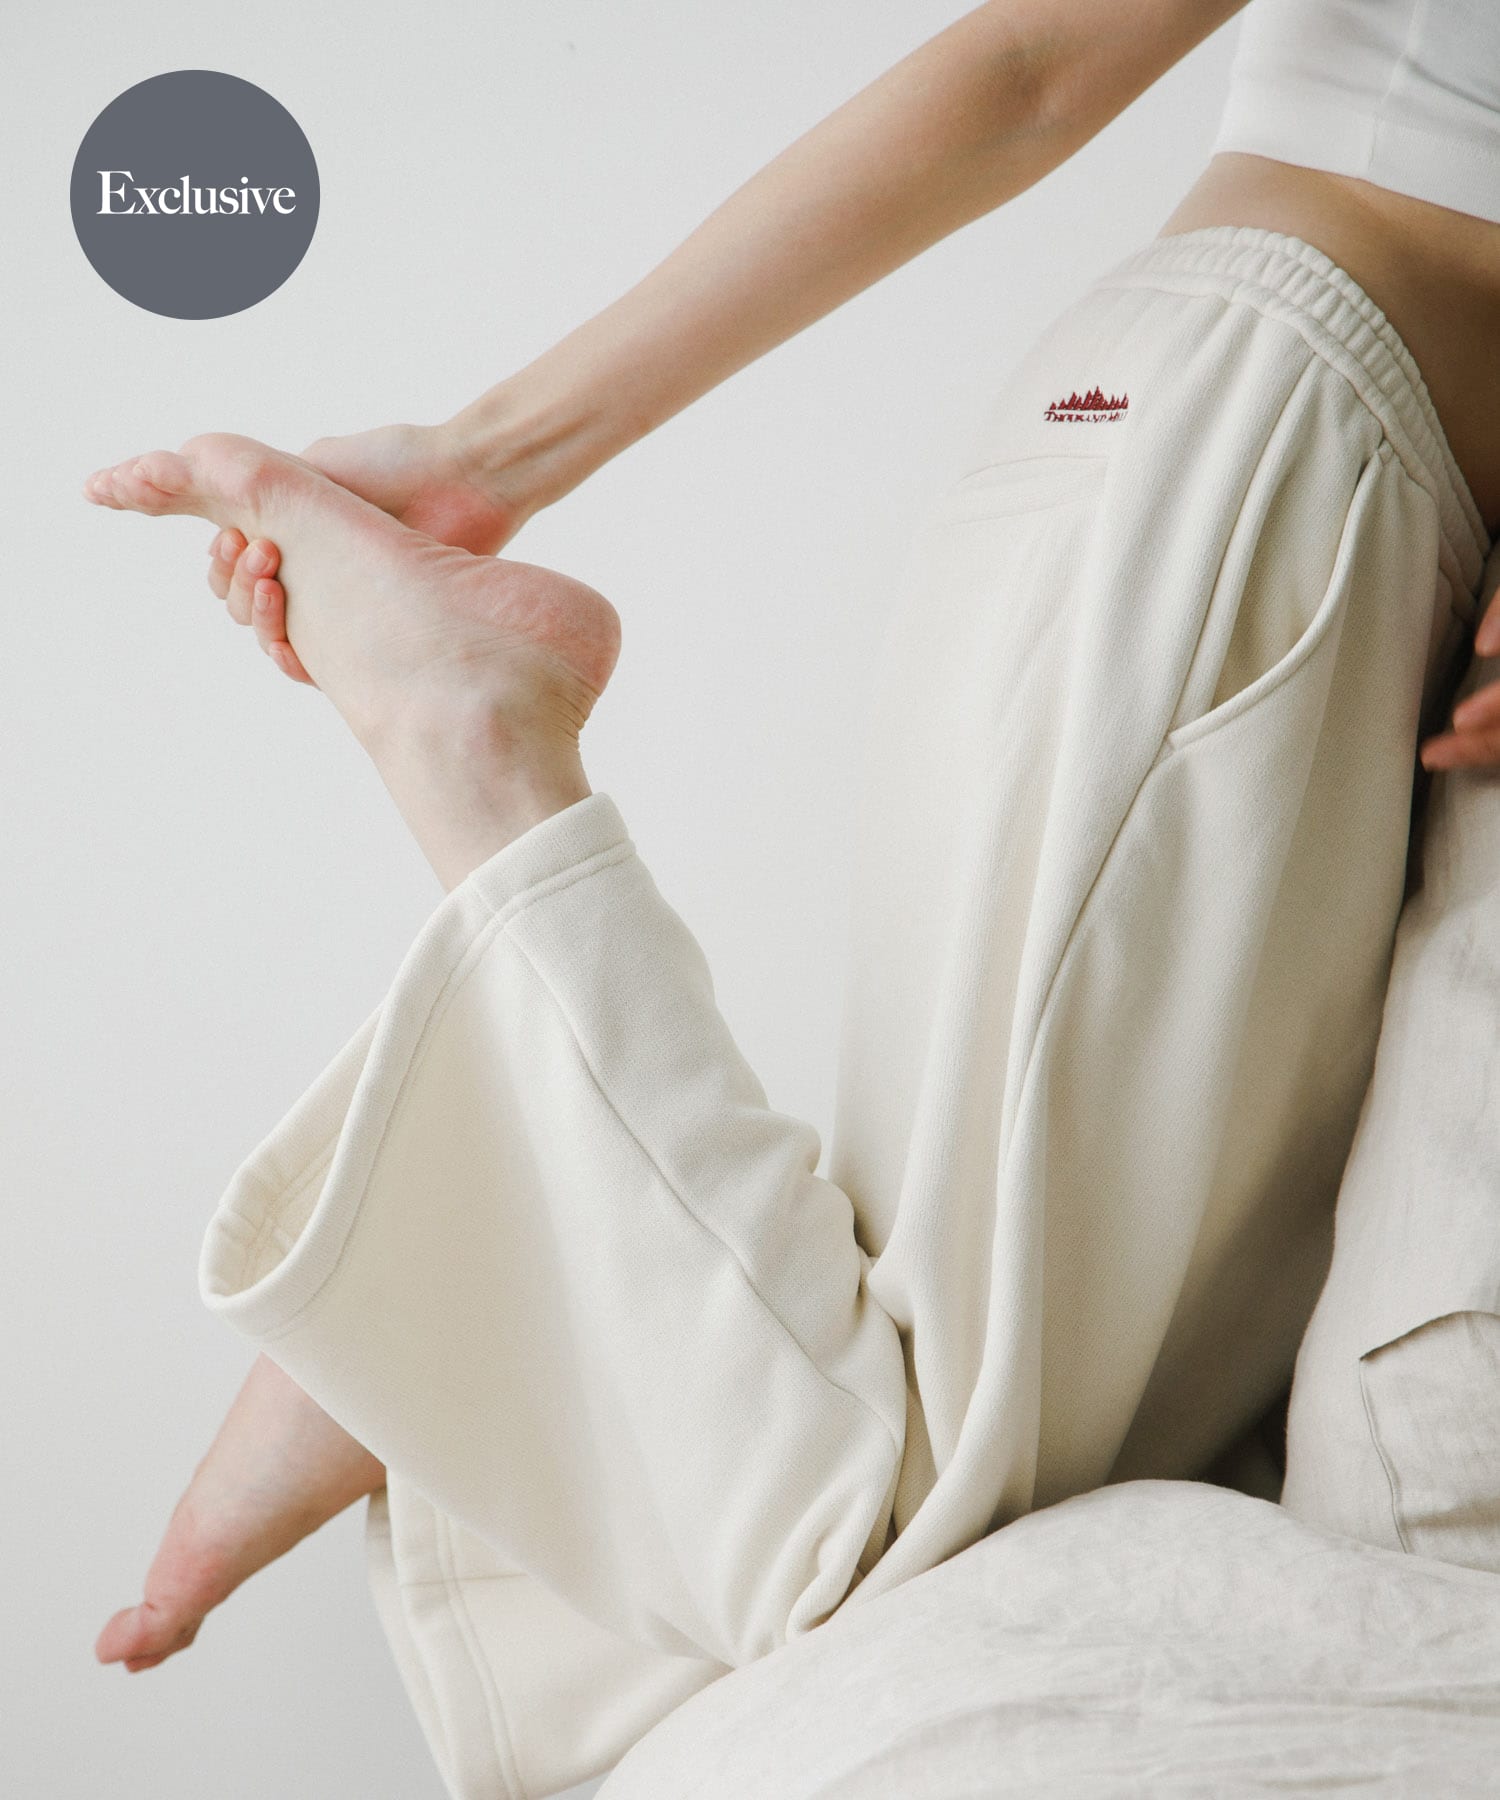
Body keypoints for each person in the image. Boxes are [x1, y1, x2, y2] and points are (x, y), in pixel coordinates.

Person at [86, 0, 1500, 1793]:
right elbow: (1030, 71)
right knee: (897, 1539)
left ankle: (500, 1262)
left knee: (1150, 1461)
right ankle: (478, 908)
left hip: (1299, 479)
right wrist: (485, 459)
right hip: (1259, 451)